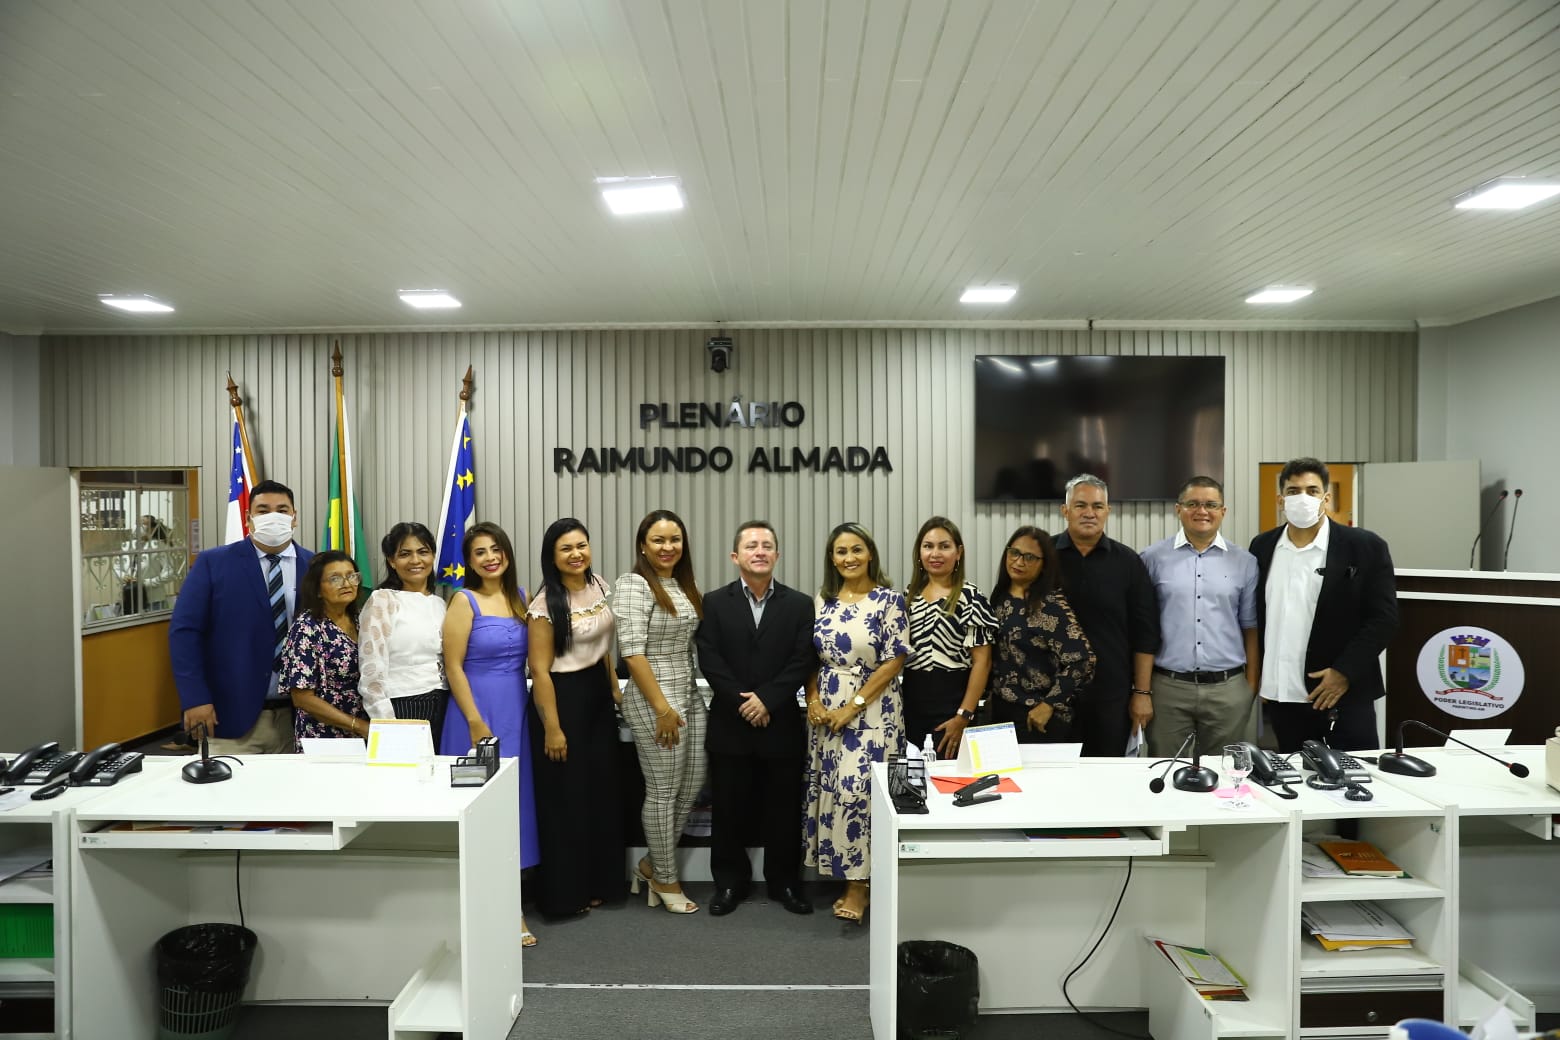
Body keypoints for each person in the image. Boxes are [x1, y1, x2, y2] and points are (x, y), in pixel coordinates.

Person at [695, 521, 817, 918]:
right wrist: (743, 702)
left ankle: (785, 883)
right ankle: (730, 883)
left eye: (767, 545)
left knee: (783, 811)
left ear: (777, 555)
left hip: (780, 722)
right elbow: (709, 657)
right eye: (751, 545)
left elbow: (803, 659)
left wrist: (767, 699)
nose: (759, 551)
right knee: (728, 811)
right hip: (731, 725)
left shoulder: (800, 605)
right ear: (736, 557)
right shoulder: (713, 602)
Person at [1249, 458, 1399, 752]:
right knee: (1295, 781)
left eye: (1312, 490)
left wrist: (1344, 671)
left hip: (1341, 693)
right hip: (1284, 697)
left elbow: (1384, 620)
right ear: (1281, 499)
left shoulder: (1364, 546)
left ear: (1326, 498)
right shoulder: (1262, 546)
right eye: (1293, 491)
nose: (1302, 497)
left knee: (1354, 781)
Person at [803, 523, 909, 924]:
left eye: (857, 550)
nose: (849, 558)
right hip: (827, 708)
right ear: (832, 558)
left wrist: (854, 705)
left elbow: (895, 658)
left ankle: (860, 885)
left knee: (859, 792)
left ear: (870, 555)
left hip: (873, 710)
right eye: (841, 551)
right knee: (831, 789)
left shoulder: (888, 600)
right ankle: (843, 870)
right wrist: (813, 698)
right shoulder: (823, 601)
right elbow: (810, 658)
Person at [442, 521, 539, 945]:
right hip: (474, 714)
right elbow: (453, 666)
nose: (490, 557)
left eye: (496, 548)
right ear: (469, 561)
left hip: (516, 710)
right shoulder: (464, 601)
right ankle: (474, 907)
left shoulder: (521, 598)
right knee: (477, 808)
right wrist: (475, 721)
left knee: (514, 808)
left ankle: (510, 906)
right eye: (480, 552)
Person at [170, 480, 314, 754]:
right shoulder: (214, 563)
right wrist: (194, 698)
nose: (274, 516)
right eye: (263, 510)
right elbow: (185, 633)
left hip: (300, 718)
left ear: (294, 517)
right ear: (249, 518)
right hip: (231, 717)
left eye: (282, 510)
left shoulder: (315, 565)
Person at [527, 518, 624, 918]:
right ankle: (567, 895)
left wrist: (614, 687)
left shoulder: (599, 585)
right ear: (552, 556)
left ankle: (601, 883)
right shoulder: (544, 605)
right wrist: (553, 728)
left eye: (581, 545)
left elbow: (601, 647)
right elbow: (540, 670)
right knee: (567, 799)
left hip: (598, 697)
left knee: (600, 792)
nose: (576, 554)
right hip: (562, 700)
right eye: (566, 548)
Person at [614, 510, 706, 914]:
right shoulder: (633, 584)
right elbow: (632, 652)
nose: (668, 547)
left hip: (689, 694)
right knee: (663, 791)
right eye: (658, 540)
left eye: (675, 540)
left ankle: (651, 863)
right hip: (655, 698)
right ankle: (666, 879)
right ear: (642, 546)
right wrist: (661, 708)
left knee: (692, 786)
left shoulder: (684, 585)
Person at [1141, 478, 1261, 759]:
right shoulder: (1151, 558)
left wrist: (1250, 687)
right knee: (1165, 771)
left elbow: (1250, 627)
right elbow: (1142, 629)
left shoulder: (1245, 562)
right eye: (1193, 504)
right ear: (1178, 509)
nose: (1202, 511)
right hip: (1168, 688)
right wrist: (1142, 690)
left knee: (1224, 774)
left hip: (1228, 689)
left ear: (1223, 511)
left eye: (1211, 504)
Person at [1054, 474, 1161, 756]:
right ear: (1065, 511)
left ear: (1108, 512)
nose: (1090, 513)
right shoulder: (1042, 557)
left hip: (1110, 697)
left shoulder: (1128, 562)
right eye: (1080, 505)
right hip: (1050, 697)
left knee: (1108, 781)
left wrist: (1142, 693)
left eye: (1098, 506)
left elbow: (1145, 634)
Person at [986, 526, 1096, 742]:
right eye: (1014, 552)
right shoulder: (1000, 597)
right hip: (1001, 712)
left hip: (1037, 717)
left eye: (1029, 557)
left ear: (1044, 564)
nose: (1018, 562)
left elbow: (1084, 660)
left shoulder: (1051, 605)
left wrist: (1049, 704)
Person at [902, 516, 996, 757]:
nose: (936, 554)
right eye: (928, 546)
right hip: (911, 702)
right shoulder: (908, 597)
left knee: (949, 779)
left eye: (944, 546)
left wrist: (964, 715)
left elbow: (982, 662)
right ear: (919, 552)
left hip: (953, 702)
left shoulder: (971, 597)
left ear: (958, 552)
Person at [358, 522, 449, 749]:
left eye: (423, 552)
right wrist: (388, 725)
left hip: (445, 704)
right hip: (403, 706)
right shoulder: (383, 600)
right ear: (392, 561)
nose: (416, 561)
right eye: (405, 554)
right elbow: (371, 672)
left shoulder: (441, 604)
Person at [279, 550, 367, 750]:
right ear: (318, 589)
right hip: (322, 737)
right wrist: (357, 725)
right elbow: (302, 698)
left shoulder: (362, 620)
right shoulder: (307, 627)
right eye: (335, 578)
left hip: (366, 733)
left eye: (351, 575)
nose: (346, 583)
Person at [114, 514, 174, 616]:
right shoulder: (127, 546)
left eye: (143, 524)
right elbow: (117, 566)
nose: (137, 527)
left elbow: (170, 572)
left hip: (153, 600)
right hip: (131, 598)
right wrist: (123, 576)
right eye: (136, 523)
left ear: (153, 528)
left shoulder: (159, 546)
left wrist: (146, 583)